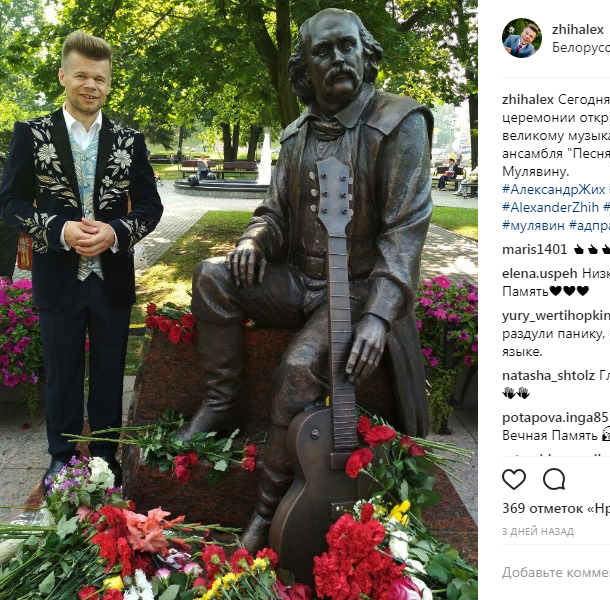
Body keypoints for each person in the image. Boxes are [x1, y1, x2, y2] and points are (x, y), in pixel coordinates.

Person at [177, 7, 432, 552]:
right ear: (305, 69)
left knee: (297, 367)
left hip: (357, 287)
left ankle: (267, 511)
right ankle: (223, 401)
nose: (338, 58)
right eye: (323, 51)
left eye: (347, 46)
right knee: (211, 277)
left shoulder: (399, 123)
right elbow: (272, 215)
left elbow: (405, 234)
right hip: (300, 280)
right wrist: (253, 241)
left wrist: (379, 316)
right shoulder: (296, 135)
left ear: (366, 54)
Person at [0, 31, 163, 488]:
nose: (91, 85)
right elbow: (9, 202)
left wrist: (116, 232)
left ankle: (106, 457)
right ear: (63, 76)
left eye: (100, 78)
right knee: (62, 373)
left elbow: (150, 207)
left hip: (112, 277)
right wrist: (58, 229)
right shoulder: (31, 134)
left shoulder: (129, 139)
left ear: (109, 84)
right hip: (57, 276)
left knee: (110, 372)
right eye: (82, 76)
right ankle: (63, 456)